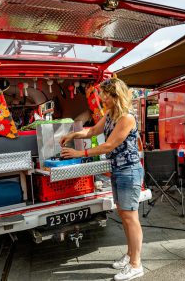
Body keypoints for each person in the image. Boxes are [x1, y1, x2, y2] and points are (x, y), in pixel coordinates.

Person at [60, 77, 144, 281]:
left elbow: (108, 146)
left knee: (130, 217)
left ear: (116, 96)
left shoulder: (127, 118)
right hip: (118, 170)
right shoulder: (110, 114)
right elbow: (93, 131)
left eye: (105, 97)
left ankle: (136, 265)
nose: (102, 100)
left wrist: (80, 154)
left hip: (129, 171)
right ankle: (130, 255)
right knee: (124, 215)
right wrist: (74, 135)